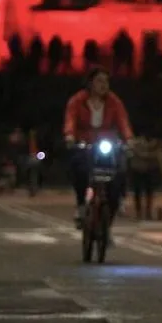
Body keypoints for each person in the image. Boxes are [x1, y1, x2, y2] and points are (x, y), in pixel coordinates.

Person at [62, 66, 134, 229]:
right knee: (78, 167)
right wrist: (70, 136)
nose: (103, 85)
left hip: (107, 144)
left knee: (119, 172)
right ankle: (81, 204)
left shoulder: (114, 101)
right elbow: (70, 120)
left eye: (106, 81)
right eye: (99, 81)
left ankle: (112, 214)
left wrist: (129, 139)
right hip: (85, 145)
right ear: (90, 83)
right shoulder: (77, 100)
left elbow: (123, 122)